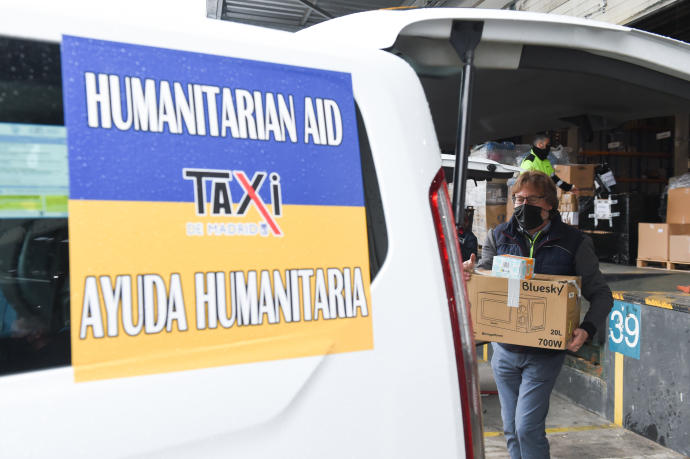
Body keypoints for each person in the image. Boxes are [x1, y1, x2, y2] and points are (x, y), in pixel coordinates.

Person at [463, 170, 612, 459]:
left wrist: (587, 329)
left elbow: (602, 295)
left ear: (549, 204)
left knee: (527, 427)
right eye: (518, 199)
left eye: (530, 199)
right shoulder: (499, 235)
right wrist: (471, 274)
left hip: (543, 353)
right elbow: (485, 277)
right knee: (511, 428)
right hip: (504, 350)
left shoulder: (573, 242)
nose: (522, 205)